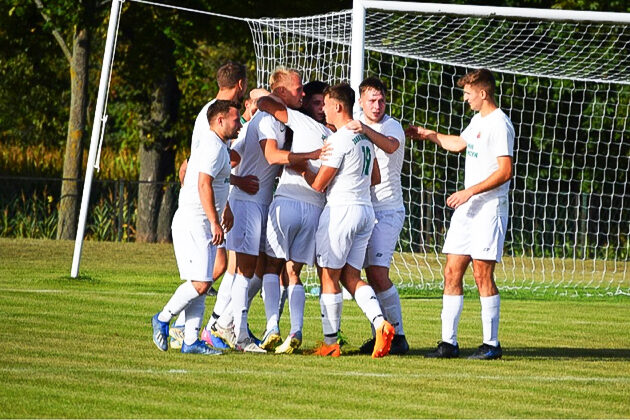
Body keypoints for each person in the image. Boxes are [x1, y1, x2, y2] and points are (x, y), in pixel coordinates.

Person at [207, 68, 319, 352]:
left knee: (250, 270)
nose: (302, 94)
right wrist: (310, 156)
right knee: (243, 271)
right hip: (247, 202)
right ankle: (233, 332)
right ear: (280, 93)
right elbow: (271, 156)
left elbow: (235, 155)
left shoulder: (282, 120)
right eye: (297, 89)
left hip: (259, 201)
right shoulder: (268, 118)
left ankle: (225, 326)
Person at [405, 68, 514, 360]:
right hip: (468, 210)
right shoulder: (477, 120)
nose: (465, 99)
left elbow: (505, 171)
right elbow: (459, 144)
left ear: (482, 93)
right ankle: (448, 343)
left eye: (468, 94)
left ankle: (491, 344)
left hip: (489, 208)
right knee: (451, 271)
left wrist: (470, 192)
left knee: (481, 274)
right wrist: (429, 135)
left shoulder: (499, 124)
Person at [292, 83, 395, 358]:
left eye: (325, 104)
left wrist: (303, 170)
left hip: (341, 211)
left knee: (328, 274)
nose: (322, 109)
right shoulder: (364, 139)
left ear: (337, 106)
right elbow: (376, 178)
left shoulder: (339, 139)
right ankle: (380, 323)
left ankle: (330, 343)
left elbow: (319, 185)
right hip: (365, 211)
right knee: (352, 276)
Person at [169, 61, 257, 350]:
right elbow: (203, 167)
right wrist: (216, 210)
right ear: (241, 85)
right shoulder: (218, 116)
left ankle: (190, 332)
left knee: (215, 267)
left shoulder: (215, 113)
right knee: (208, 274)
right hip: (198, 208)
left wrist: (226, 202)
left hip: (208, 203)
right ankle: (173, 322)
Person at [151, 100, 242, 355]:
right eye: (236, 119)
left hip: (202, 220)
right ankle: (162, 318)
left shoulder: (219, 146)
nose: (239, 124)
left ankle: (191, 341)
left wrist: (226, 209)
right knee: (202, 283)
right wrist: (214, 221)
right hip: (195, 221)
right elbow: (204, 185)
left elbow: (218, 182)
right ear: (220, 121)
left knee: (201, 283)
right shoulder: (213, 147)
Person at [255, 80, 331, 353]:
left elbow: (262, 100)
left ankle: (272, 326)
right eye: (317, 103)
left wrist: (278, 100)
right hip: (315, 209)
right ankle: (296, 329)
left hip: (287, 201)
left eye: (324, 104)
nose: (321, 109)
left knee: (271, 267)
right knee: (294, 273)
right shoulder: (340, 134)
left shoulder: (300, 122)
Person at [345, 77, 409, 355]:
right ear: (360, 101)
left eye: (381, 100)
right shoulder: (356, 124)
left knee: (378, 274)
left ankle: (399, 335)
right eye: (371, 100)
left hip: (388, 209)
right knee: (361, 274)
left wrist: (366, 130)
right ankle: (380, 334)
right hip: (365, 209)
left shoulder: (390, 126)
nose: (377, 105)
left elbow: (391, 146)